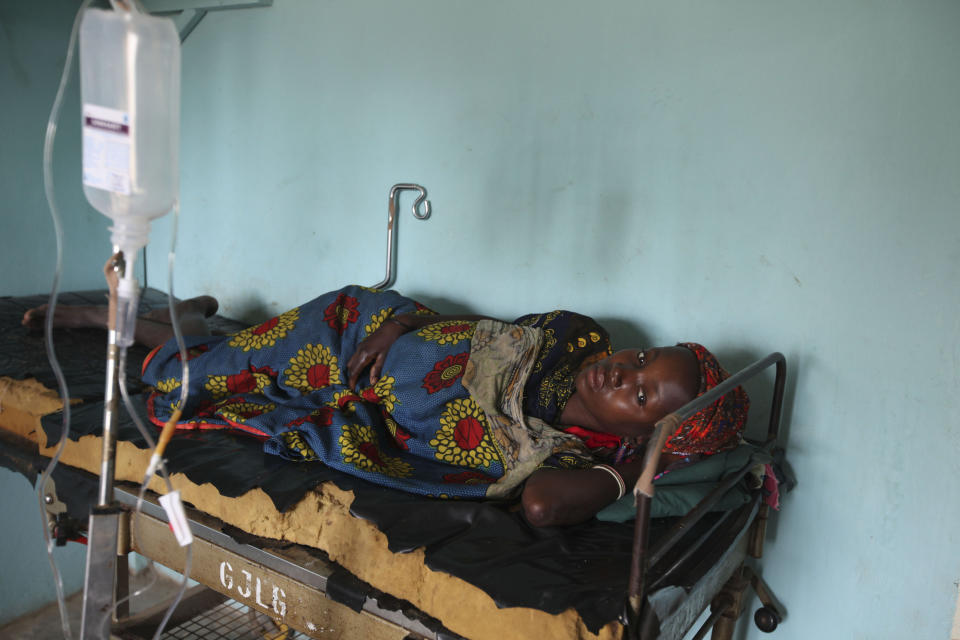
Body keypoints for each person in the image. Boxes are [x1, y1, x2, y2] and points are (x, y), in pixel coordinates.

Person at [23, 271, 748, 527]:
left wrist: (631, 470)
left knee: (179, 387)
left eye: (646, 395)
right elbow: (476, 333)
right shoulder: (578, 337)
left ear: (654, 431)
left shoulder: (577, 460)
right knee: (187, 380)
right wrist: (399, 323)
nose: (626, 373)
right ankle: (181, 328)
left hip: (358, 409)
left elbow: (540, 508)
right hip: (354, 333)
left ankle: (182, 323)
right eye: (645, 359)